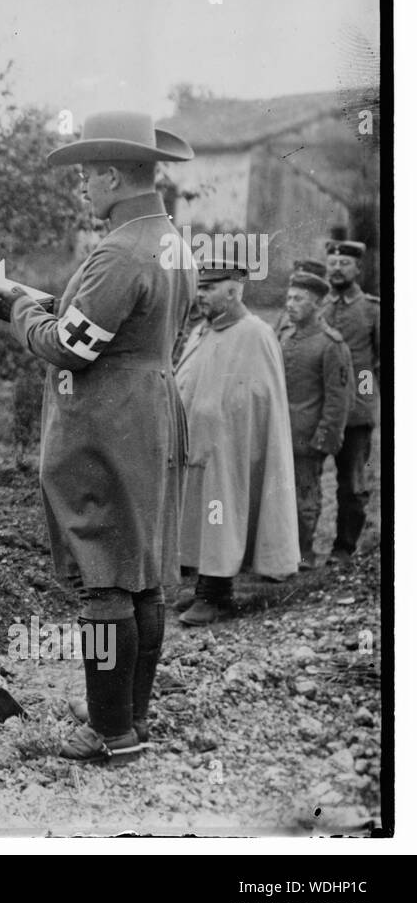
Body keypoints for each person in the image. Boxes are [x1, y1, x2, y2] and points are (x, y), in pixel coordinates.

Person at [0, 111, 196, 760]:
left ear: (109, 175)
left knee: (103, 577)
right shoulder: (168, 242)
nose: (81, 188)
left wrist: (16, 306)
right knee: (142, 576)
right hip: (151, 414)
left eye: (85, 177)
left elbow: (70, 346)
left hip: (105, 428)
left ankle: (108, 733)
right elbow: (121, 325)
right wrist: (46, 302)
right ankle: (131, 719)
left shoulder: (117, 252)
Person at [174, 256, 300, 626]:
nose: (200, 295)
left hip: (229, 448)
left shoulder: (254, 333)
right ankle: (206, 588)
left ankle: (216, 595)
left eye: (209, 288)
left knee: (220, 515)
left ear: (233, 289)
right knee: (200, 515)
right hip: (197, 445)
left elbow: (259, 397)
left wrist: (222, 420)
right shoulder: (203, 330)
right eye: (198, 287)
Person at [278, 267, 353, 570]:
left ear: (316, 304)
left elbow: (338, 401)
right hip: (280, 434)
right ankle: (280, 553)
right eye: (289, 297)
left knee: (304, 499)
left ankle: (304, 552)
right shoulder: (283, 336)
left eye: (298, 299)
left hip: (307, 438)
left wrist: (323, 440)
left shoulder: (330, 344)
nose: (290, 304)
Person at [320, 240, 381, 561]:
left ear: (358, 269)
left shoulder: (372, 310)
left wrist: (366, 392)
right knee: (304, 480)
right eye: (332, 262)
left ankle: (344, 547)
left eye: (345, 263)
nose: (337, 268)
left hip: (356, 412)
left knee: (352, 483)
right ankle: (300, 551)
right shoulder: (318, 306)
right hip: (317, 409)